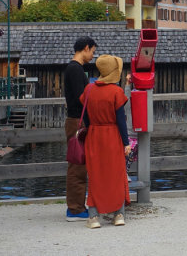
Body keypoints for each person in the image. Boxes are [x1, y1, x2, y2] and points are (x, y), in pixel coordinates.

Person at [81, 54, 132, 229]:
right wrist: (126, 142)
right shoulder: (117, 92)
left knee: (95, 176)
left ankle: (94, 217)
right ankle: (118, 215)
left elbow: (86, 119)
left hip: (94, 134)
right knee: (116, 174)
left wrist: (94, 128)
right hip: (112, 135)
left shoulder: (88, 90)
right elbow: (121, 121)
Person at [64, 36, 97, 222]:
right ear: (86, 48)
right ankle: (75, 209)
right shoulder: (75, 70)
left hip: (76, 120)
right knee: (77, 165)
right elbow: (81, 98)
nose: (93, 55)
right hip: (78, 121)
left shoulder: (74, 69)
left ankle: (76, 207)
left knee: (78, 164)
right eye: (92, 51)